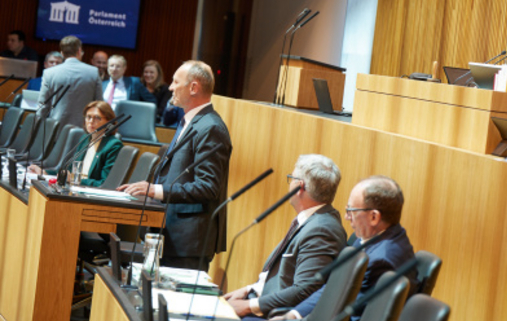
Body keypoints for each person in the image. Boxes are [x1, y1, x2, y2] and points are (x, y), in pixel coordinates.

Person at [117, 60, 232, 270]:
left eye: (175, 81)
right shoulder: (189, 121)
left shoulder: (211, 128)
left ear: (193, 87)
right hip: (168, 235)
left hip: (187, 243)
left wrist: (157, 190)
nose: (170, 87)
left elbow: (208, 187)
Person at [273, 176, 416, 321]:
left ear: (374, 217)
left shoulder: (381, 260)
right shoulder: (373, 237)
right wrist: (293, 314)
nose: (347, 217)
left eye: (351, 210)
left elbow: (337, 308)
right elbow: (334, 287)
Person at [224, 154, 347, 319]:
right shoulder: (311, 220)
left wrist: (248, 306)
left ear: (299, 186)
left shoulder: (322, 230)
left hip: (273, 315)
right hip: (262, 299)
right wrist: (249, 290)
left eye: (291, 178)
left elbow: (304, 290)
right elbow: (284, 277)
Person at [28, 101, 123, 187]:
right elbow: (69, 171)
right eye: (88, 117)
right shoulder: (85, 139)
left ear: (109, 121)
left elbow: (105, 183)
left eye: (97, 118)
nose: (91, 121)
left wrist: (76, 180)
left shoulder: (113, 145)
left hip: (89, 192)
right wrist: (44, 172)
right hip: (75, 187)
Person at [36, 36, 103, 128]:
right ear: (79, 51)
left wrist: (35, 129)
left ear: (62, 53)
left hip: (55, 128)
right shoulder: (93, 72)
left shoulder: (49, 73)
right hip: (84, 129)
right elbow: (99, 104)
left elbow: (43, 105)